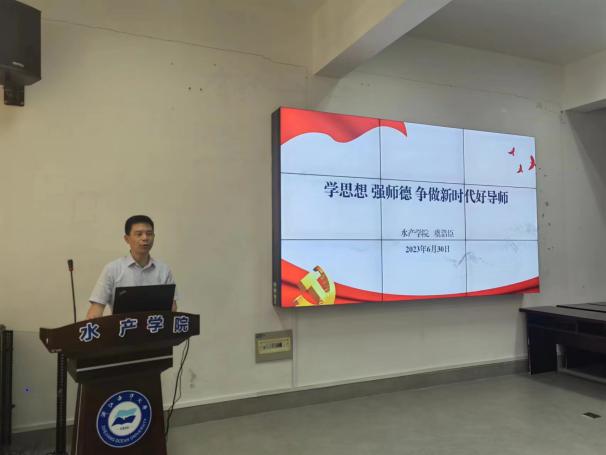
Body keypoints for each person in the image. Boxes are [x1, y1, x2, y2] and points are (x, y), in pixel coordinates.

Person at [86, 215, 177, 319]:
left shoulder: (164, 270)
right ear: (127, 239)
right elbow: (96, 310)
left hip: (155, 327)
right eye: (139, 234)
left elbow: (172, 308)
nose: (145, 238)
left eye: (149, 234)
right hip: (123, 327)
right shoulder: (112, 269)